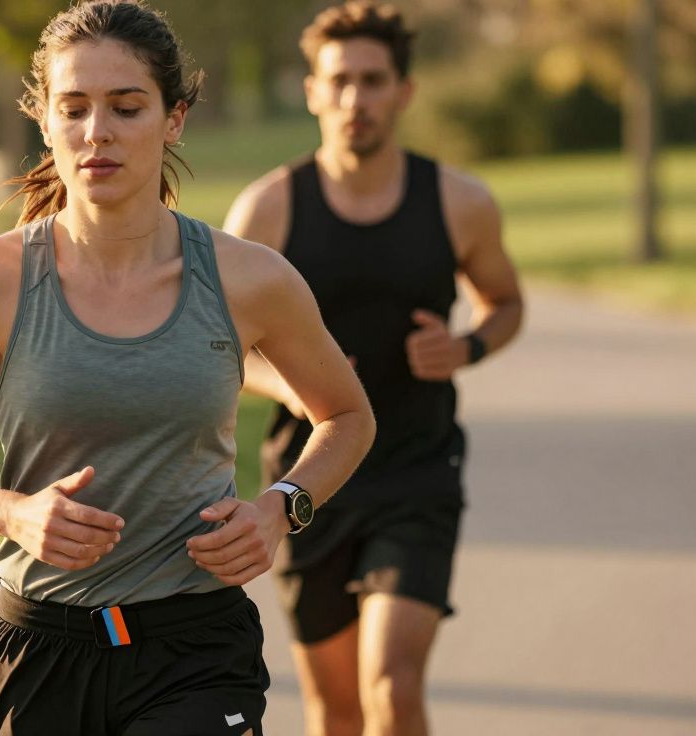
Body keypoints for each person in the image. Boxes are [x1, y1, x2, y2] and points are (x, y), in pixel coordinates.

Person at [0, 2, 375, 734]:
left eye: (127, 107)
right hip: (42, 643)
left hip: (194, 648)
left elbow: (348, 415)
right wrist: (11, 513)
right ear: (45, 120)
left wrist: (279, 507)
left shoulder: (248, 278)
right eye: (73, 109)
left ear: (175, 119)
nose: (97, 132)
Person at [223, 3, 525, 735]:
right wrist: (294, 383)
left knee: (391, 684)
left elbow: (505, 302)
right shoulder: (266, 210)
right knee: (336, 710)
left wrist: (467, 347)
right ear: (313, 92)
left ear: (403, 92)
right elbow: (218, 352)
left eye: (373, 80)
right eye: (341, 81)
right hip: (310, 479)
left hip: (418, 473)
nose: (356, 98)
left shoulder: (460, 202)